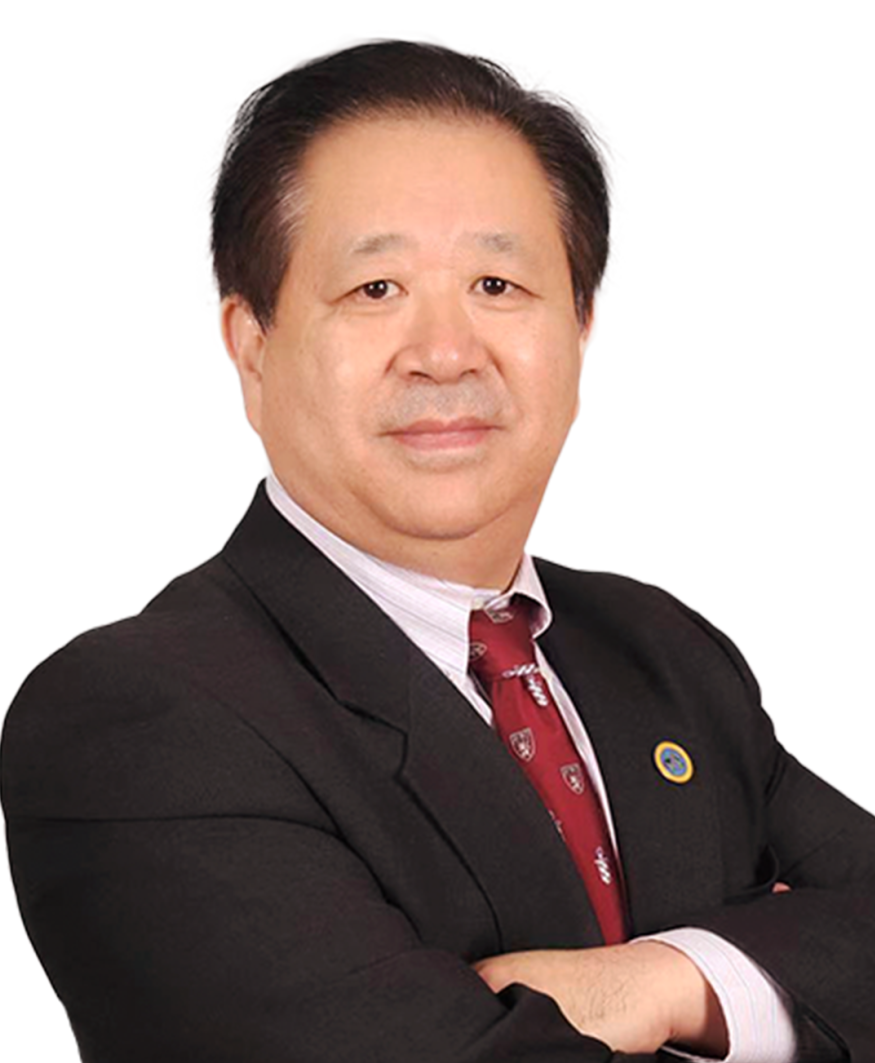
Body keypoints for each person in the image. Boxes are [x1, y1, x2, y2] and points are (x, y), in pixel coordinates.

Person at [2, 39, 873, 1063]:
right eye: (375, 289)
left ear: (579, 327)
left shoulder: (664, 652)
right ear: (252, 345)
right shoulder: (136, 716)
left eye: (497, 283)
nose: (446, 352)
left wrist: (667, 983)